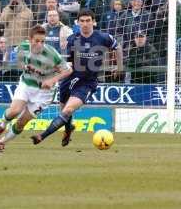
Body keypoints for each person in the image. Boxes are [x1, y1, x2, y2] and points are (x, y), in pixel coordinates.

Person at [31, 9, 123, 146]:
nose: (85, 24)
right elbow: (68, 62)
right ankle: (68, 130)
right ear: (78, 22)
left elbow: (118, 47)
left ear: (93, 22)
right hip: (69, 79)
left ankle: (41, 136)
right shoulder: (72, 39)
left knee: (68, 110)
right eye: (82, 21)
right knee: (64, 111)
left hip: (87, 82)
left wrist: (119, 66)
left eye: (88, 21)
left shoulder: (103, 37)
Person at [0, 25, 72, 152]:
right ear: (30, 39)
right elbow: (16, 57)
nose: (40, 44)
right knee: (14, 111)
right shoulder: (23, 47)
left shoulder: (51, 54)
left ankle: (2, 142)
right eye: (37, 41)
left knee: (22, 122)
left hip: (44, 93)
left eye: (43, 41)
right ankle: (1, 124)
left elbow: (68, 70)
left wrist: (53, 79)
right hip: (27, 84)